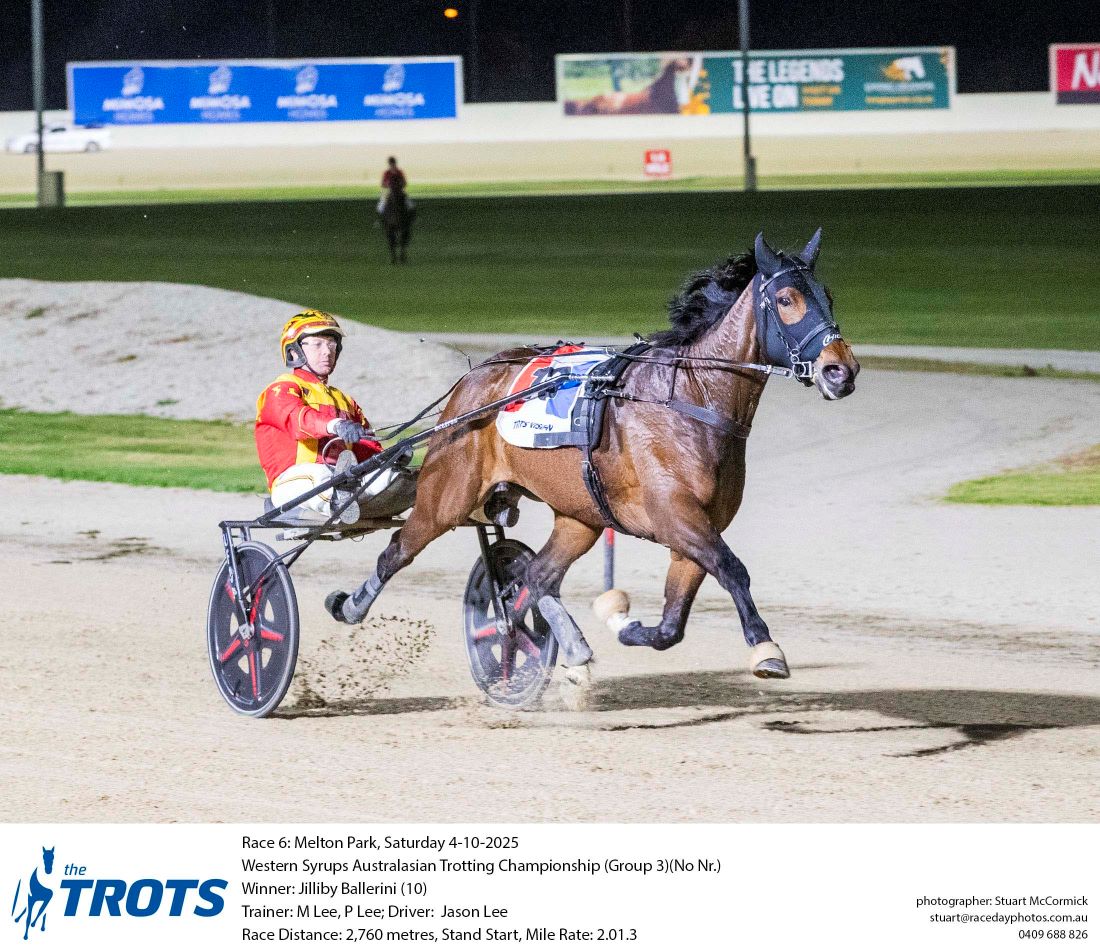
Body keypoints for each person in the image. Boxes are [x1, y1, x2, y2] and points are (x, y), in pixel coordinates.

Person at [255, 310, 389, 523]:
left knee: (387, 474)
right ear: (294, 352)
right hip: (293, 484)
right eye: (317, 344)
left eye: (332, 345)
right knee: (318, 476)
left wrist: (389, 458)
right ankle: (340, 502)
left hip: (343, 481)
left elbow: (365, 445)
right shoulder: (282, 388)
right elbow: (297, 418)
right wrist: (336, 425)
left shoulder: (345, 400)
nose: (327, 351)